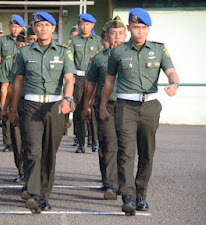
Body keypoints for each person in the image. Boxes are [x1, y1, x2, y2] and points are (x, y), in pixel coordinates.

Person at [99, 8, 179, 216]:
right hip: (125, 107)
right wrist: (102, 106)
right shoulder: (118, 52)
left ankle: (141, 194)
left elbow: (171, 71)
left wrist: (174, 85)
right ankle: (128, 196)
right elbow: (109, 82)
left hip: (150, 107)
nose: (140, 32)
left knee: (147, 152)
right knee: (125, 152)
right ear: (129, 28)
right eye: (136, 28)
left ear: (148, 29)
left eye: (144, 28)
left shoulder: (159, 50)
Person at [9, 12, 76, 214]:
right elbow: (17, 82)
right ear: (34, 29)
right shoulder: (25, 52)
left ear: (54, 28)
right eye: (39, 25)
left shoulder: (64, 52)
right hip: (30, 106)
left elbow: (69, 78)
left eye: (47, 25)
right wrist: (12, 109)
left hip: (55, 107)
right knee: (32, 151)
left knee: (49, 153)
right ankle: (34, 194)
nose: (43, 28)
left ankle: (45, 196)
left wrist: (68, 98)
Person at [82, 17, 127, 200]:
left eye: (120, 34)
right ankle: (110, 184)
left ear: (125, 35)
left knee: (125, 146)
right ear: (107, 36)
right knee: (109, 143)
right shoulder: (99, 58)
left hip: (128, 106)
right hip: (105, 106)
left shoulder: (132, 55)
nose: (117, 37)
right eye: (113, 34)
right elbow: (91, 84)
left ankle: (123, 183)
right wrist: (86, 106)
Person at [68, 13, 103, 153]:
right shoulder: (73, 40)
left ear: (92, 25)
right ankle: (81, 143)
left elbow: (101, 60)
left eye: (87, 24)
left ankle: (95, 141)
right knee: (78, 110)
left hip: (93, 79)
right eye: (82, 24)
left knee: (93, 108)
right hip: (78, 78)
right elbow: (69, 59)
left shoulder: (98, 41)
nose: (84, 26)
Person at [0, 14, 25, 152]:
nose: (15, 29)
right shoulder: (2, 41)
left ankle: (21, 140)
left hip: (21, 82)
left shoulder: (26, 39)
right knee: (5, 108)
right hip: (6, 79)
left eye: (18, 26)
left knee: (19, 110)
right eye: (13, 26)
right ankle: (8, 141)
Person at [0, 30, 27, 184]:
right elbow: (8, 87)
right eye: (20, 44)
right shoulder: (10, 61)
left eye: (25, 44)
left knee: (31, 141)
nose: (22, 47)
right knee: (17, 141)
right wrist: (5, 108)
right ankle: (22, 170)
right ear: (16, 45)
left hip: (31, 103)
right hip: (16, 104)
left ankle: (33, 171)